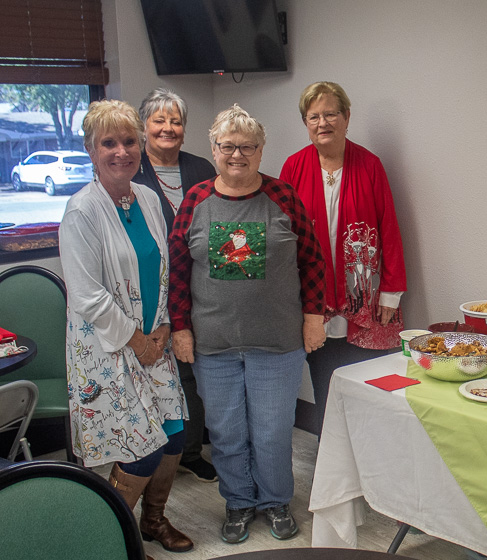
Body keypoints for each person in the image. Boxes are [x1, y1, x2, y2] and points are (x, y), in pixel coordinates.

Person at [168, 104, 326, 544]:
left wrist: (314, 316)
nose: (237, 155)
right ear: (214, 149)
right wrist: (180, 328)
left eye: (248, 147)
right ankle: (238, 502)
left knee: (273, 431)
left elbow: (312, 260)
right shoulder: (196, 201)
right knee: (226, 432)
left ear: (260, 151)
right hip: (213, 345)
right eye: (228, 147)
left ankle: (275, 500)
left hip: (277, 343)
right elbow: (178, 271)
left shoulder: (283, 197)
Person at [60, 99, 193, 554]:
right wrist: (138, 341)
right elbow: (88, 296)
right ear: (91, 151)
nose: (121, 151)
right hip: (110, 349)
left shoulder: (150, 200)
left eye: (129, 141)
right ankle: (109, 535)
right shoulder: (81, 211)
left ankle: (152, 521)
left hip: (153, 341)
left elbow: (166, 268)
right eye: (108, 143)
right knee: (141, 448)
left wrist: (163, 329)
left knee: (174, 435)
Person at [280, 82, 407, 434]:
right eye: (314, 116)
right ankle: (335, 466)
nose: (323, 123)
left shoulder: (370, 165)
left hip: (367, 299)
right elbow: (283, 237)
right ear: (306, 122)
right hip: (315, 302)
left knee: (371, 386)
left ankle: (375, 462)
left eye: (331, 114)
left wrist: (391, 292)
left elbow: (389, 229)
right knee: (327, 387)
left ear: (347, 117)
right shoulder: (293, 168)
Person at [132, 87, 219, 483]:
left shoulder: (203, 168)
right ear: (144, 126)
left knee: (193, 367)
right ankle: (154, 451)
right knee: (160, 368)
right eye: (159, 120)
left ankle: (190, 449)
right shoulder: (130, 171)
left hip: (199, 283)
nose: (168, 128)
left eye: (176, 121)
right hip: (149, 286)